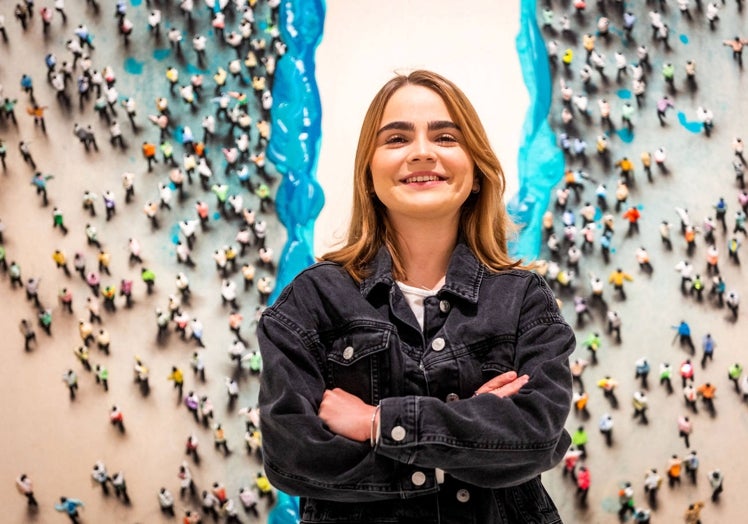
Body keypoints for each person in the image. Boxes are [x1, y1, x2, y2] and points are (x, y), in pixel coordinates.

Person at [257, 70, 575, 522]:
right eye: (396, 139)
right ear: (368, 174)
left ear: (477, 170)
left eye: (446, 137)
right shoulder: (311, 302)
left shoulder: (524, 298)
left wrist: (377, 424)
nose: (422, 153)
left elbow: (537, 437)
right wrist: (472, 437)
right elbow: (293, 457)